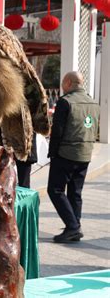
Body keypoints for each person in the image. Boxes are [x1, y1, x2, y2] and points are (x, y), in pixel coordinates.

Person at [47, 71, 100, 243]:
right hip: (85, 153)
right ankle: (75, 226)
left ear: (69, 82)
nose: (62, 86)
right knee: (75, 193)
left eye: (63, 82)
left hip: (66, 153)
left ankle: (73, 226)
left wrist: (52, 153)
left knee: (55, 190)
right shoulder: (93, 102)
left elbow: (57, 131)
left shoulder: (65, 102)